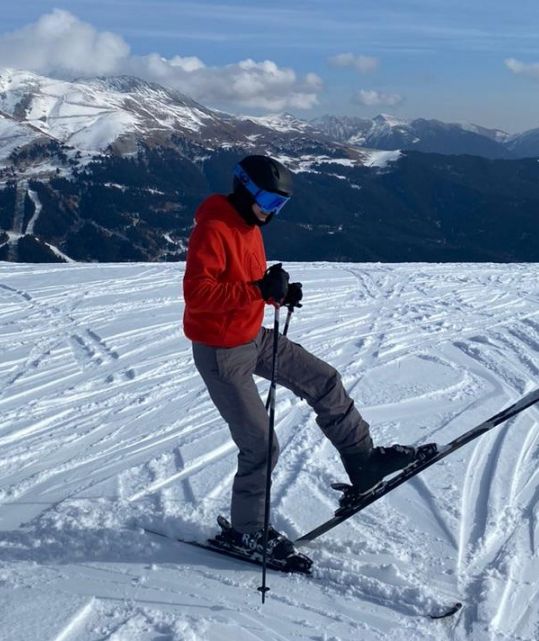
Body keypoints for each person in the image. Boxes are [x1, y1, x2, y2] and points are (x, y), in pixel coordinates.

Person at [182, 154, 436, 567]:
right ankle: (247, 533)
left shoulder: (249, 223)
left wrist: (275, 292)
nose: (272, 211)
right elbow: (198, 294)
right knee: (261, 445)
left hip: (253, 336)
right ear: (245, 189)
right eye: (267, 199)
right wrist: (258, 289)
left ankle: (363, 462)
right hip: (220, 351)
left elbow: (246, 283)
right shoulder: (213, 227)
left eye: (280, 204)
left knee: (324, 380)